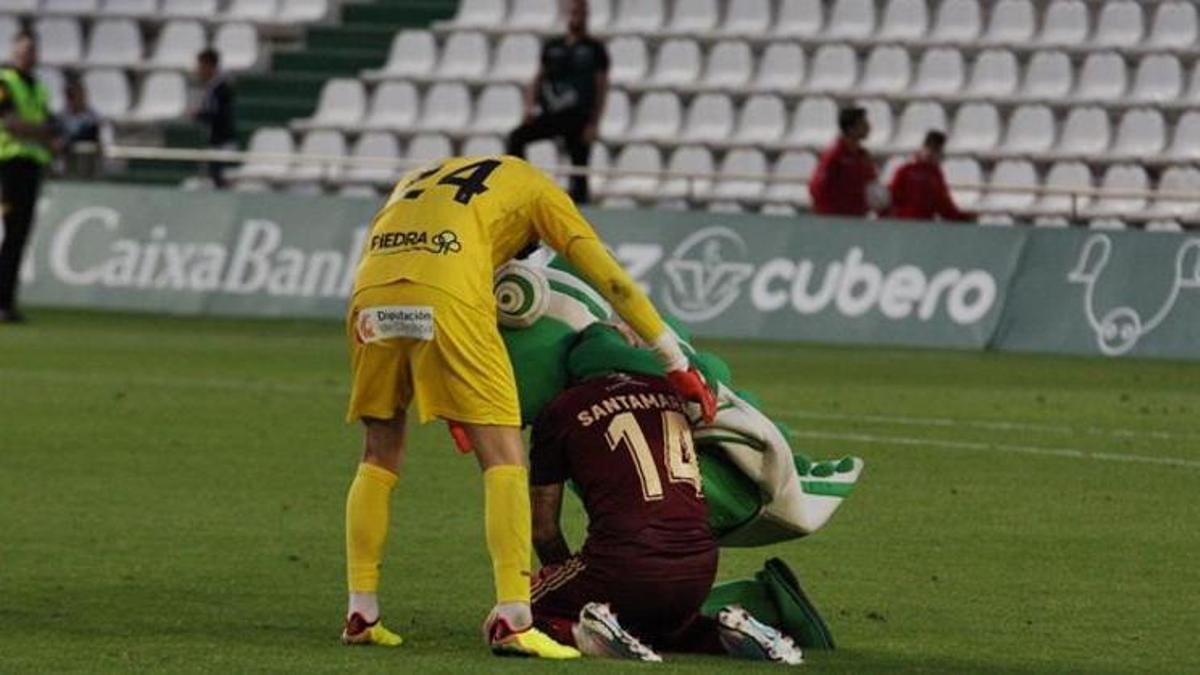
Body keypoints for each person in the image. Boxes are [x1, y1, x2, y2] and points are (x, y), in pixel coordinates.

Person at [340, 155, 716, 657]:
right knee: (504, 458)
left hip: (370, 292)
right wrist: (673, 360)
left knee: (378, 453)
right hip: (449, 295)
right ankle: (515, 619)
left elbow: (411, 267)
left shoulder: (420, 177)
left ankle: (361, 611)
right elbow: (616, 283)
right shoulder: (541, 193)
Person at [527, 353, 804, 664]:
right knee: (665, 626)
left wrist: (566, 582)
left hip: (622, 564)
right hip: (699, 568)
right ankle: (727, 633)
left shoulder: (561, 409)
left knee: (516, 609)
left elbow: (543, 531)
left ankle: (586, 631)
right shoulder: (669, 390)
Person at [506, 0, 608, 204]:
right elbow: (538, 78)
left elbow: (601, 87)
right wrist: (528, 107)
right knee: (516, 138)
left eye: (580, 13)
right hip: (552, 113)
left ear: (586, 15)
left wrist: (594, 123)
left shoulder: (595, 49)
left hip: (578, 117)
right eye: (573, 13)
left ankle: (579, 209)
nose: (576, 17)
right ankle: (522, 188)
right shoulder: (553, 47)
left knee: (579, 167)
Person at [0, 31, 55, 324]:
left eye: (31, 50)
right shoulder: (4, 82)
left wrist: (39, 130)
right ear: (14, 52)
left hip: (31, 165)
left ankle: (7, 302)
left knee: (19, 236)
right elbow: (10, 124)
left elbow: (48, 122)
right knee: (10, 234)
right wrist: (42, 132)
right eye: (23, 50)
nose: (27, 55)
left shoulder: (39, 87)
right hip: (9, 164)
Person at [887, 131, 976, 223]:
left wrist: (963, 218)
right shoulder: (906, 171)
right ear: (923, 147)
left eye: (936, 150)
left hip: (925, 226)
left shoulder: (935, 175)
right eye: (930, 148)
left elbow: (944, 205)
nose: (932, 153)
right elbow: (892, 198)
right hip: (904, 223)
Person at [808, 106, 880, 218]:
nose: (868, 127)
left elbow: (871, 184)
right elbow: (817, 188)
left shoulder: (864, 156)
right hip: (836, 220)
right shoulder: (834, 155)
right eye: (863, 123)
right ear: (851, 128)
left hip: (858, 218)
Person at [191, 48, 236, 188]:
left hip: (222, 142)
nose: (198, 70)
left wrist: (199, 115)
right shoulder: (212, 87)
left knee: (219, 178)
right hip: (216, 141)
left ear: (209, 66)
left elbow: (220, 115)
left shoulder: (220, 89)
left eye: (200, 66)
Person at [58, 76, 101, 179]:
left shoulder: (93, 117)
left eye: (74, 96)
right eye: (69, 96)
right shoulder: (61, 116)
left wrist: (68, 141)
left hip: (87, 166)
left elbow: (90, 134)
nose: (72, 100)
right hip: (67, 165)